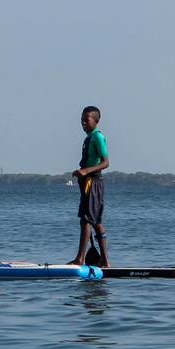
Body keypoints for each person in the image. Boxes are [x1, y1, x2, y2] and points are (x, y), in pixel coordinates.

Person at [68, 106, 110, 267]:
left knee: (86, 219)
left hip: (94, 182)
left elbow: (106, 162)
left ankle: (80, 259)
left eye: (87, 120)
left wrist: (85, 171)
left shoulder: (97, 137)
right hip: (87, 182)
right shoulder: (88, 138)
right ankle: (104, 261)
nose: (83, 122)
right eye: (82, 120)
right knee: (95, 220)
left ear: (96, 121)